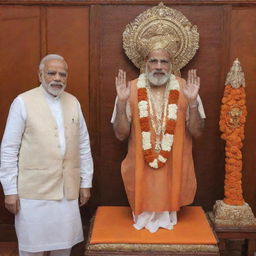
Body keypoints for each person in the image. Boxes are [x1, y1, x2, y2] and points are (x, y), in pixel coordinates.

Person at [112, 4, 205, 233]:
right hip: (140, 167)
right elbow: (120, 134)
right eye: (154, 61)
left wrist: (192, 102)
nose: (159, 67)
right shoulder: (129, 89)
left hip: (175, 167)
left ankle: (169, 213)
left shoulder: (187, 89)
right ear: (145, 64)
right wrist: (122, 101)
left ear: (172, 65)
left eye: (164, 62)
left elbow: (198, 132)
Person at [0, 54, 93, 255]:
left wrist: (86, 183)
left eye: (62, 74)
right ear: (41, 75)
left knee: (63, 248)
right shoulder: (22, 102)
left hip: (67, 191)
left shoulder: (73, 102)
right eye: (52, 73)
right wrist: (9, 189)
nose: (57, 78)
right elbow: (8, 148)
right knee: (32, 248)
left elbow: (83, 144)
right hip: (33, 193)